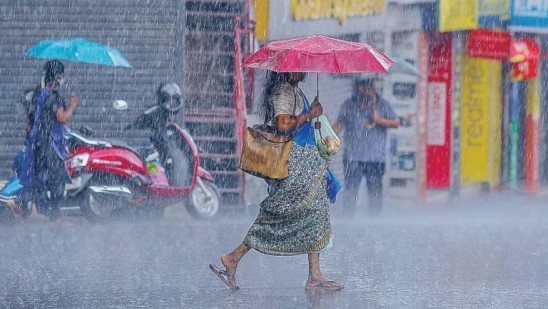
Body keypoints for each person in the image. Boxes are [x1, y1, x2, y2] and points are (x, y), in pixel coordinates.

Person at [209, 71, 343, 291]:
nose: (304, 71)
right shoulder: (282, 91)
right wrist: (309, 114)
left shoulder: (293, 90)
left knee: (315, 212)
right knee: (280, 213)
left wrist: (312, 112)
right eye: (299, 66)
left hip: (304, 164)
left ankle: (315, 275)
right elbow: (283, 124)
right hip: (294, 164)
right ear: (288, 70)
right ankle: (234, 257)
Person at [333, 77, 404, 217]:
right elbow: (339, 124)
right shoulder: (349, 104)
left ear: (373, 87)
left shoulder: (382, 104)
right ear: (357, 88)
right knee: (350, 191)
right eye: (362, 87)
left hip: (375, 157)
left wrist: (379, 120)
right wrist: (327, 135)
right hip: (353, 156)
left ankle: (374, 221)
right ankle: (348, 219)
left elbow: (396, 123)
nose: (365, 89)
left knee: (375, 191)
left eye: (369, 86)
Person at [19, 59, 79, 220]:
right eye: (61, 76)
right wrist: (72, 105)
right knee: (57, 179)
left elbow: (32, 117)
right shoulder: (53, 96)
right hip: (50, 144)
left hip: (37, 142)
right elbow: (62, 117)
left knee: (39, 176)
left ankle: (41, 207)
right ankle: (55, 215)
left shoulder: (38, 93)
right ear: (58, 77)